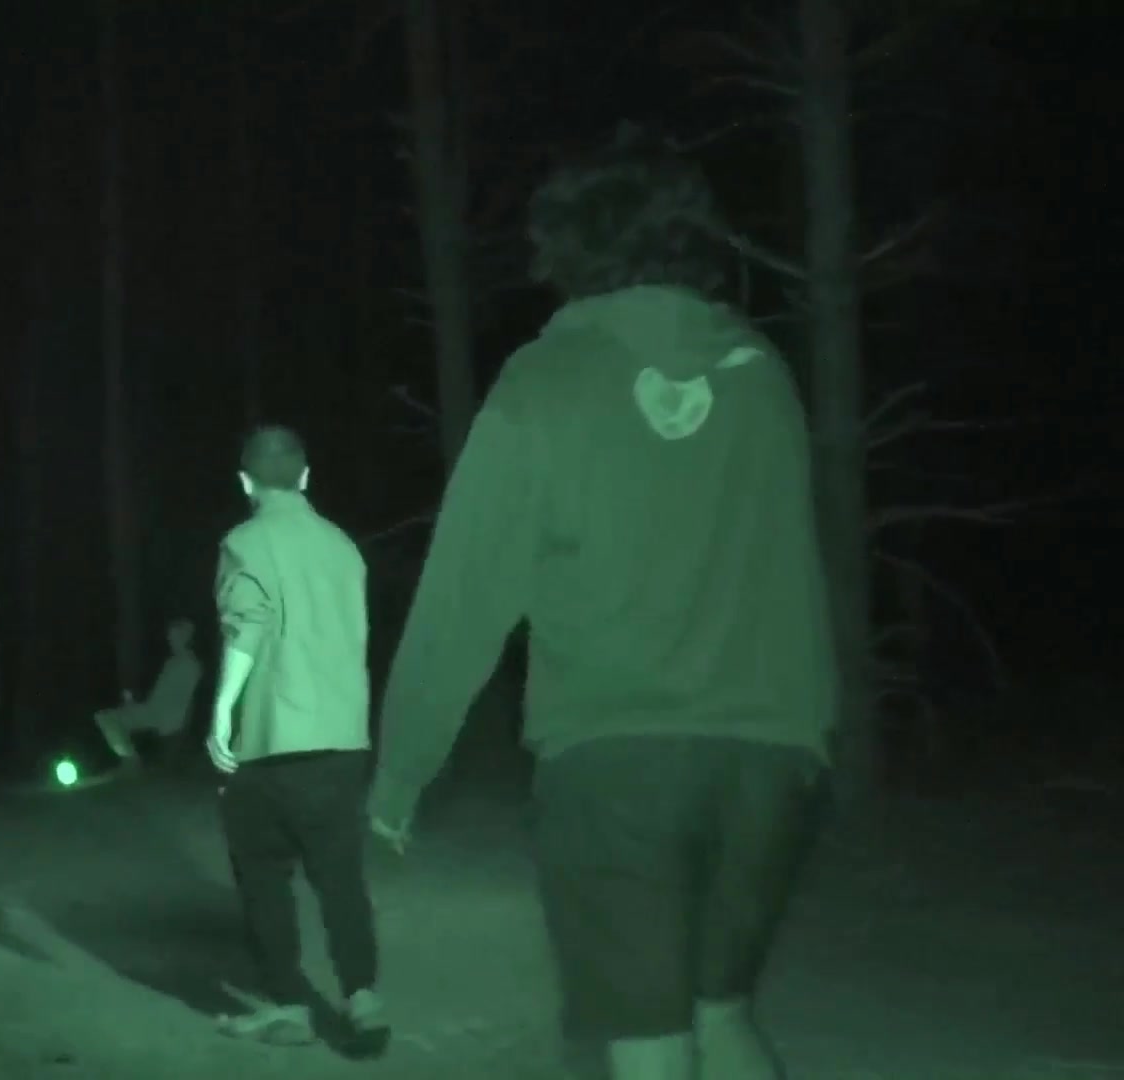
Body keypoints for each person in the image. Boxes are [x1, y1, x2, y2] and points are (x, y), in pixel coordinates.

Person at [367, 135, 836, 1080]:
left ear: (567, 249)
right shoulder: (764, 375)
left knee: (649, 1043)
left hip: (616, 759)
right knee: (721, 1014)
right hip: (773, 759)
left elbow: (463, 598)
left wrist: (401, 774)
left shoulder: (546, 381)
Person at [206, 425, 388, 1055]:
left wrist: (222, 710)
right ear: (306, 476)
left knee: (263, 872)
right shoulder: (344, 548)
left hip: (272, 738)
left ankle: (289, 1004)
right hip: (342, 737)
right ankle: (363, 995)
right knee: (341, 876)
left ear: (245, 481)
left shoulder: (244, 543)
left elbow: (249, 624)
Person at [94, 617, 202, 768]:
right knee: (105, 717)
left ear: (185, 638)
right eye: (170, 637)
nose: (171, 640)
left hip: (165, 716)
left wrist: (174, 723)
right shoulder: (171, 662)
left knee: (108, 718)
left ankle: (131, 762)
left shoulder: (190, 664)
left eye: (175, 636)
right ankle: (129, 758)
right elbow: (158, 696)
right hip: (154, 710)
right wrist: (133, 704)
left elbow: (183, 700)